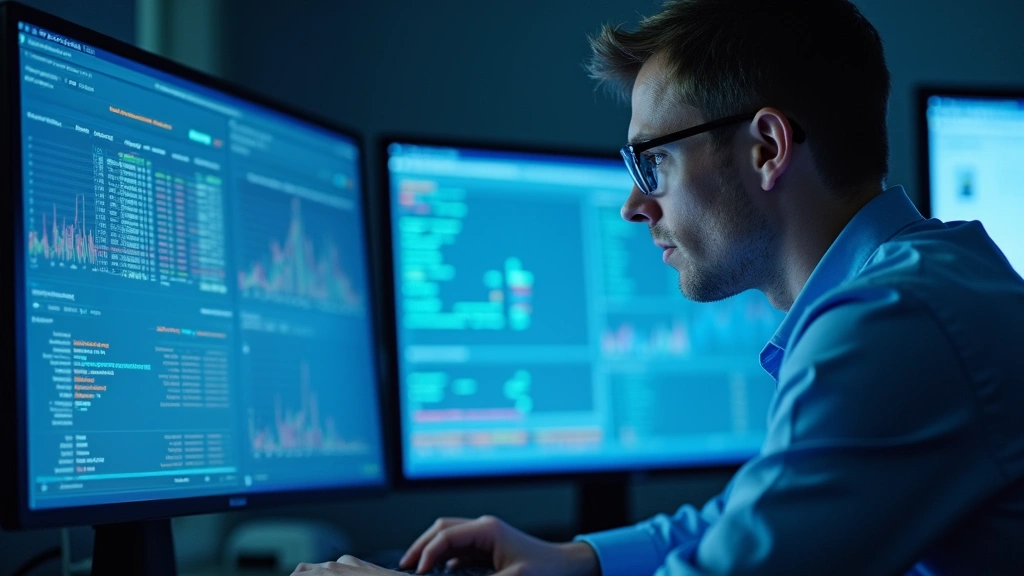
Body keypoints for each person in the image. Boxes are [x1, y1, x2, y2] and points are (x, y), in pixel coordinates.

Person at [293, 0, 1024, 574]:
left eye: (653, 162)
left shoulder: (893, 324)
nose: (634, 204)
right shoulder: (920, 284)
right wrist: (580, 559)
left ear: (767, 148)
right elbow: (755, 515)